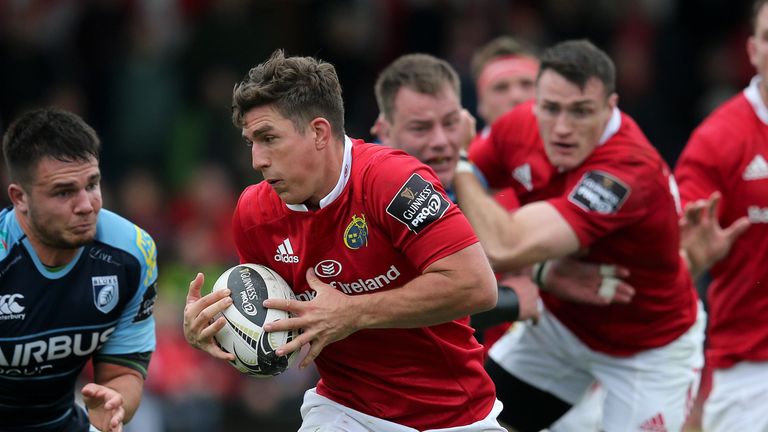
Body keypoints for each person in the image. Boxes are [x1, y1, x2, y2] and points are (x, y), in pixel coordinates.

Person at [182, 49, 506, 431]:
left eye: (269, 138)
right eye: (251, 141)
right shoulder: (254, 213)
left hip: (454, 414)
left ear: (319, 132)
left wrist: (352, 312)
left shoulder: (392, 181)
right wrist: (219, 328)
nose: (257, 160)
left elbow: (477, 287)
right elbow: (276, 330)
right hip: (345, 411)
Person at [454, 39, 706, 432]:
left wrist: (462, 164)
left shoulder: (627, 170)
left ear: (611, 107)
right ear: (537, 102)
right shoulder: (519, 125)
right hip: (561, 331)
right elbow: (447, 205)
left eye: (582, 112)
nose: (563, 128)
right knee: (469, 425)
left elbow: (506, 245)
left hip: (647, 348)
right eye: (551, 109)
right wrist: (542, 272)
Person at [0, 108, 158, 432]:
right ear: (20, 198)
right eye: (64, 191)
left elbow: (121, 374)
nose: (86, 205)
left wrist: (114, 403)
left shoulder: (131, 253)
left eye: (93, 184)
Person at [674, 1, 768, 429]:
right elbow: (670, 258)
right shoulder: (718, 139)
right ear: (752, 50)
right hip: (752, 369)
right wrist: (693, 257)